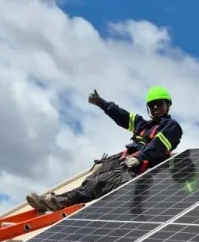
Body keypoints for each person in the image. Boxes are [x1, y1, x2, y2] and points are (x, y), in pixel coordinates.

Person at [27, 85, 183, 213]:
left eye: (159, 104)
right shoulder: (143, 124)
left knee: (100, 184)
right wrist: (102, 103)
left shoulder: (171, 127)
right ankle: (52, 201)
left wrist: (140, 157)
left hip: (139, 168)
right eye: (152, 105)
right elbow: (122, 116)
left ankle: (56, 202)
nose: (155, 107)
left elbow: (159, 145)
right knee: (91, 180)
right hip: (123, 159)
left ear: (167, 105)